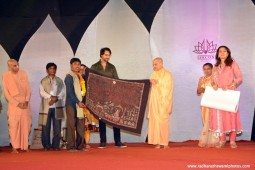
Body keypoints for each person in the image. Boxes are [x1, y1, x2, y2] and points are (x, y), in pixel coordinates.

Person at [91, 47, 126, 148]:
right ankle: (103, 142)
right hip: (100, 97)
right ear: (101, 55)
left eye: (109, 55)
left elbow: (117, 80)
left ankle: (118, 141)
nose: (108, 57)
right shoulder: (94, 66)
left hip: (112, 96)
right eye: (106, 55)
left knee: (115, 118)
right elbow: (92, 81)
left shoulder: (112, 67)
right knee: (102, 119)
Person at [210, 46, 242, 148]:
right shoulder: (216, 66)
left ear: (228, 53)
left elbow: (240, 77)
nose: (222, 53)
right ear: (218, 53)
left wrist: (229, 86)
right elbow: (212, 80)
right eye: (220, 51)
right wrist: (213, 84)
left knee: (231, 115)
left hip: (229, 93)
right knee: (220, 116)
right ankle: (222, 140)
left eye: (225, 51)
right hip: (218, 94)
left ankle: (232, 140)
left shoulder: (232, 63)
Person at [2, 59, 32, 153]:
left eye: (17, 65)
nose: (17, 67)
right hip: (14, 104)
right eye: (14, 66)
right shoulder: (5, 76)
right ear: (9, 67)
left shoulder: (23, 73)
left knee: (26, 125)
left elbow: (28, 88)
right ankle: (14, 147)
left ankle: (25, 146)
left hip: (25, 103)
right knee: (13, 126)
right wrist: (17, 103)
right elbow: (7, 94)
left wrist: (26, 101)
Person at [147, 57, 173, 149]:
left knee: (163, 121)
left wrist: (157, 84)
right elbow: (151, 88)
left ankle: (164, 143)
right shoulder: (153, 74)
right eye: (153, 64)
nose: (154, 66)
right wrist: (151, 83)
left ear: (161, 63)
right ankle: (157, 142)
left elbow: (168, 88)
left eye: (156, 64)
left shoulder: (167, 74)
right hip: (154, 102)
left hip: (163, 102)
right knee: (155, 121)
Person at [38, 63, 65, 151]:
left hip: (57, 106)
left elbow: (62, 92)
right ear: (47, 70)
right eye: (50, 68)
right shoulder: (43, 80)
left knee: (57, 128)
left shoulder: (60, 80)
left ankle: (56, 145)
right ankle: (46, 145)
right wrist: (50, 97)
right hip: (46, 107)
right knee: (46, 128)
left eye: (54, 69)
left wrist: (55, 98)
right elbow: (42, 92)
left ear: (56, 70)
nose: (52, 70)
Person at [65, 58, 87, 151]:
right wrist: (78, 102)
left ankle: (80, 146)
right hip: (71, 104)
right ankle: (71, 146)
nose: (77, 66)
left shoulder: (80, 77)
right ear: (71, 65)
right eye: (75, 64)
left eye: (79, 64)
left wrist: (83, 102)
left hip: (80, 105)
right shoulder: (69, 77)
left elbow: (84, 90)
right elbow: (70, 92)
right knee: (71, 125)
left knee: (80, 125)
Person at [197, 63, 219, 147]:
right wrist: (200, 90)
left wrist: (205, 90)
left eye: (208, 69)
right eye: (204, 69)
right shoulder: (201, 79)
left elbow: (216, 91)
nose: (206, 70)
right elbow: (198, 91)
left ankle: (214, 141)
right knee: (205, 120)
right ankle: (206, 140)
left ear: (212, 69)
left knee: (212, 121)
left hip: (212, 102)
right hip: (204, 102)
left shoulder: (215, 78)